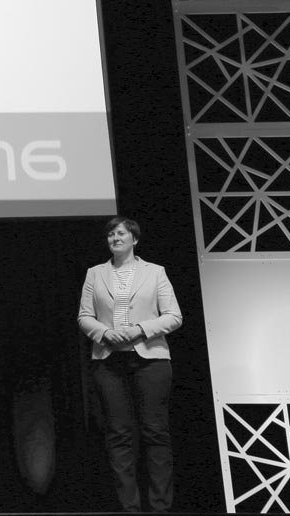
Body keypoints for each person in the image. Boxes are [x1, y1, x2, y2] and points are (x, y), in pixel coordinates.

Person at [78, 216, 183, 512]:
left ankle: (160, 507)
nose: (115, 238)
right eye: (111, 234)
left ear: (134, 239)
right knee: (119, 434)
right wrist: (104, 333)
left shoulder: (155, 272)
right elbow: (84, 316)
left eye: (121, 233)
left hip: (150, 360)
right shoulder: (95, 273)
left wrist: (141, 329)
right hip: (109, 361)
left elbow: (174, 316)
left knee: (155, 431)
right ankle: (130, 508)